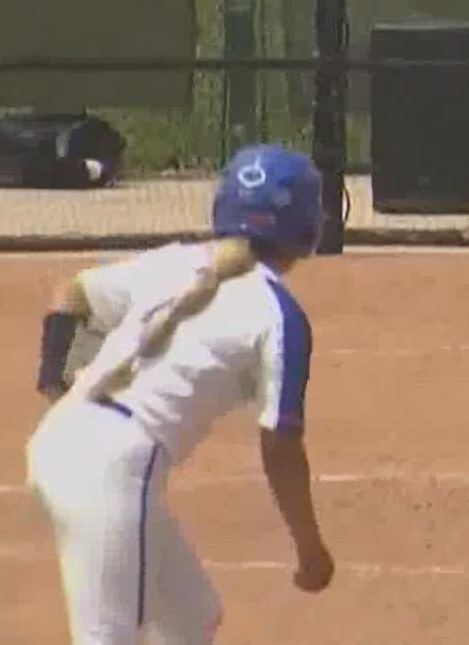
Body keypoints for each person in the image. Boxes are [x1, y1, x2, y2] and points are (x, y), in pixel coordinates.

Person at [27, 145, 333, 645]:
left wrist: (57, 381)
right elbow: (280, 445)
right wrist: (310, 548)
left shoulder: (178, 262)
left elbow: (70, 295)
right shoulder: (279, 317)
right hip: (115, 469)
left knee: (191, 616)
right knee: (108, 637)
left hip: (60, 439)